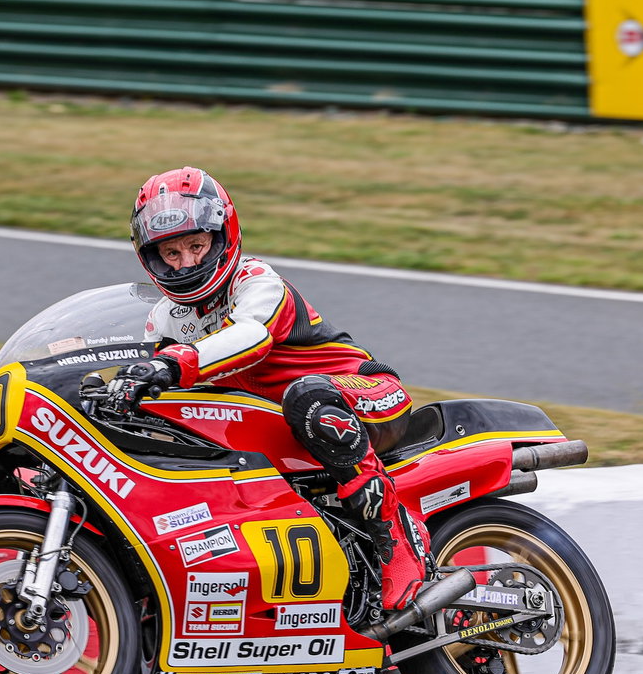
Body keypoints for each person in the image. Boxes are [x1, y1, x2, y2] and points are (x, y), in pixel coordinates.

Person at [109, 166, 430, 614]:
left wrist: (171, 362)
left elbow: (250, 339)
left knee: (308, 398)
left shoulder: (257, 280)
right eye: (171, 252)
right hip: (279, 427)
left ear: (223, 237)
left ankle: (398, 542)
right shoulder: (164, 319)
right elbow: (169, 394)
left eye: (197, 246)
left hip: (365, 396)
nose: (186, 263)